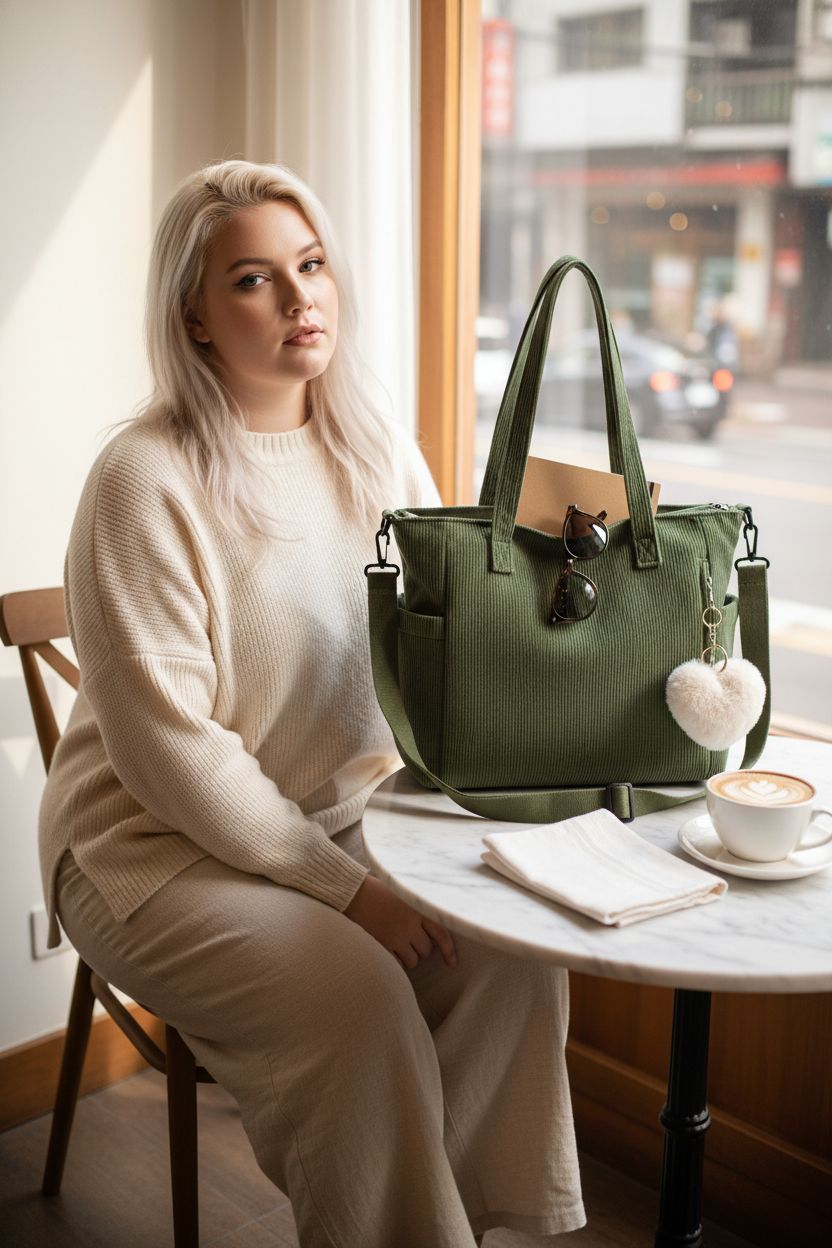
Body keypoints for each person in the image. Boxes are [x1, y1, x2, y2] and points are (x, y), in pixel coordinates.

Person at [38, 159, 586, 1248]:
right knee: (359, 1000)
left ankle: (488, 1224)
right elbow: (173, 756)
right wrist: (348, 893)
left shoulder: (374, 445)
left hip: (337, 814)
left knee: (513, 950)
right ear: (193, 315)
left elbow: (439, 647)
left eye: (313, 264)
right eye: (253, 279)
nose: (299, 298)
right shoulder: (141, 479)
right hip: (147, 847)